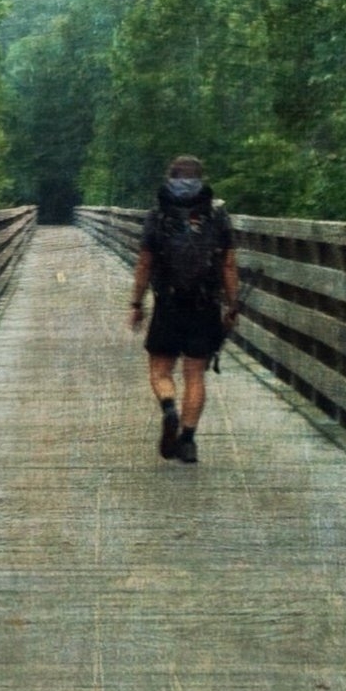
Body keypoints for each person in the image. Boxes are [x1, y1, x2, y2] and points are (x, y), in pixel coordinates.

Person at [127, 153, 239, 463]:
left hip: (169, 304)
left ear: (170, 178)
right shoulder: (217, 216)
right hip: (205, 305)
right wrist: (232, 304)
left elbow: (145, 262)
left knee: (161, 370)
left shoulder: (157, 214)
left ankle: (168, 407)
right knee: (195, 375)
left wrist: (136, 303)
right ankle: (187, 441)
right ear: (201, 180)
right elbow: (228, 264)